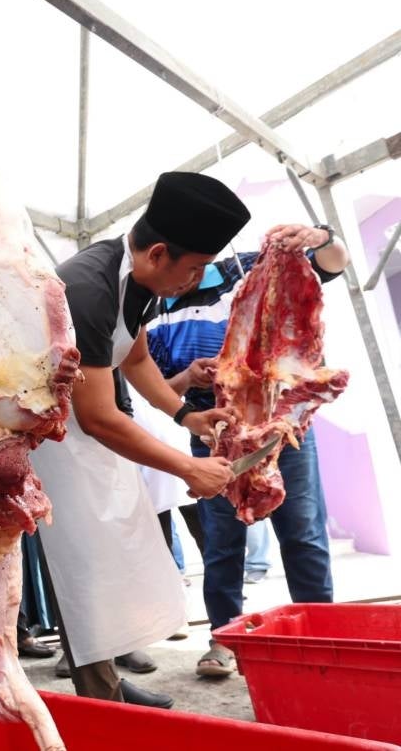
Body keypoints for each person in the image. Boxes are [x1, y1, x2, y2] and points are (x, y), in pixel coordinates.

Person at [32, 171, 250, 709]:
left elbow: (134, 356)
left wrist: (185, 415)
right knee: (81, 564)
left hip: (86, 433)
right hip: (49, 439)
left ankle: (107, 677)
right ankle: (99, 699)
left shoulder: (142, 282)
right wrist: (188, 467)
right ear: (157, 253)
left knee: (111, 556)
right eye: (194, 268)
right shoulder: (88, 288)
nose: (195, 280)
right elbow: (100, 417)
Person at [147, 221, 348, 677]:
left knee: (303, 534)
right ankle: (224, 638)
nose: (178, 280)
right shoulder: (155, 309)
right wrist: (189, 378)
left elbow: (333, 264)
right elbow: (155, 388)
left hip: (281, 426)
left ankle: (323, 634)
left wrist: (322, 238)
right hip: (214, 433)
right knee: (222, 543)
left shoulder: (248, 271)